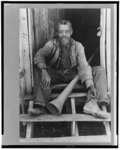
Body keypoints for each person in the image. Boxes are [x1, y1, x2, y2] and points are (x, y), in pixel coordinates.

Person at [28, 20, 110, 118]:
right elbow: (38, 56)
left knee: (99, 70)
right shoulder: (51, 44)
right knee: (38, 68)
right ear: (57, 33)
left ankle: (93, 103)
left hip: (73, 74)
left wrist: (91, 86)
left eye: (67, 32)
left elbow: (84, 67)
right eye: (61, 32)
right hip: (56, 74)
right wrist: (44, 71)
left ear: (71, 32)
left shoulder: (78, 46)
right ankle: (40, 105)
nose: (64, 35)